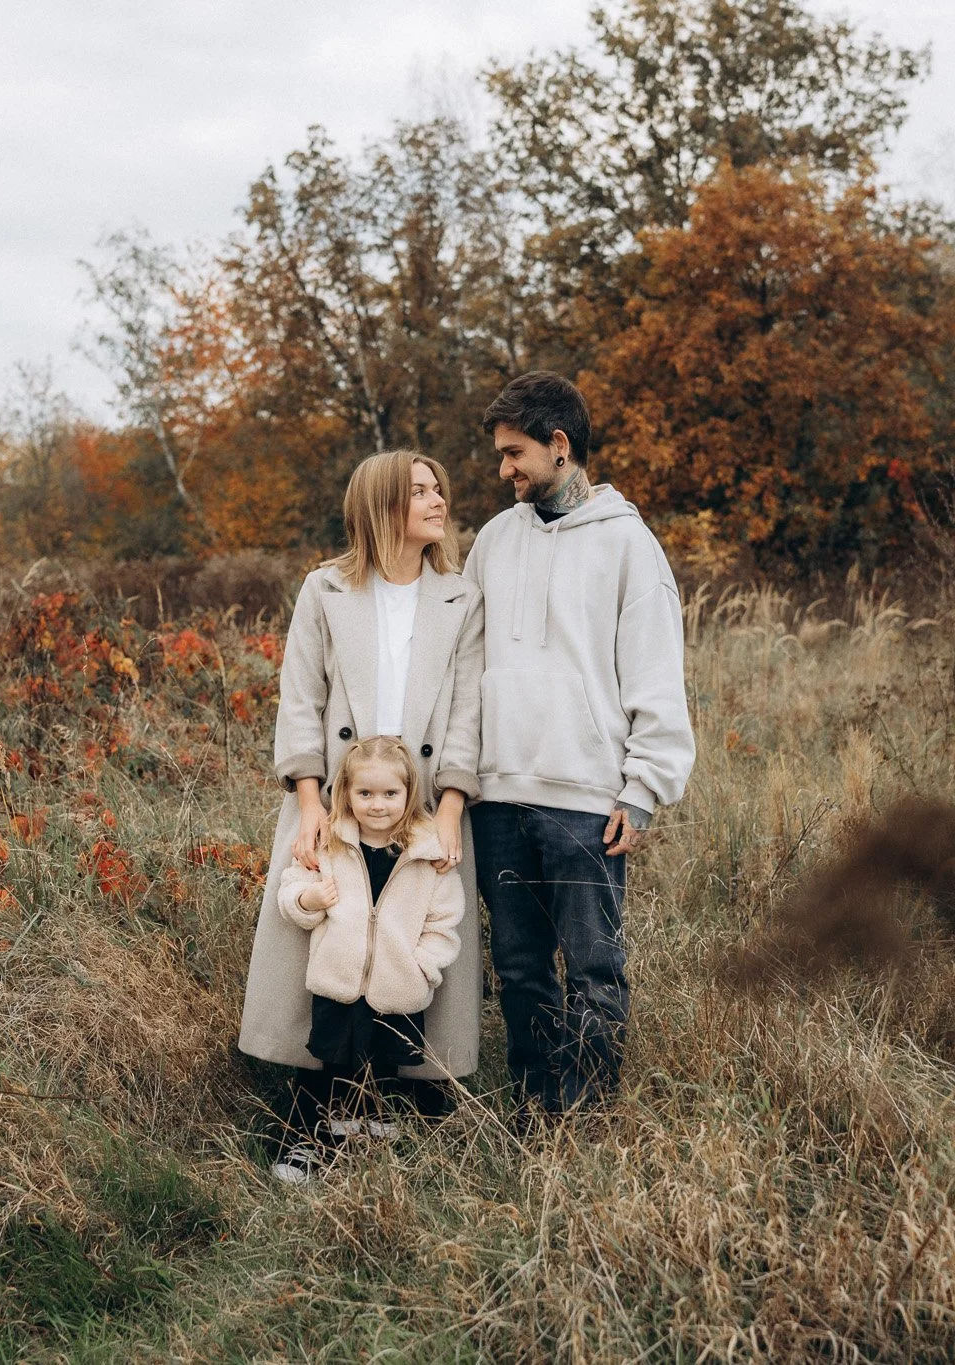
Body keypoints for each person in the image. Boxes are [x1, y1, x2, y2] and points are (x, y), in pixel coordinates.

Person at [237, 449, 485, 1174]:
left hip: (424, 809)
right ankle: (310, 1119)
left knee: (410, 946)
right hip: (337, 806)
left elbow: (469, 709)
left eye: (440, 488)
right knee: (333, 945)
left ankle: (388, 1107)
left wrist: (450, 807)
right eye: (420, 490)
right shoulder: (325, 589)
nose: (439, 500)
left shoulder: (460, 596)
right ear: (382, 506)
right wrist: (309, 800)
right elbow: (300, 699)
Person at [465, 371, 695, 1117]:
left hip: (585, 798)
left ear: (558, 445)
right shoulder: (494, 541)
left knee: (594, 966)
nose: (503, 469)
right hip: (498, 795)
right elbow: (466, 661)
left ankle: (587, 1115)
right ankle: (536, 1111)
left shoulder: (629, 545)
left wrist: (645, 787)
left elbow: (657, 673)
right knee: (520, 967)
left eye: (514, 452)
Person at [268, 737, 464, 1183]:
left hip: (399, 986)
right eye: (365, 794)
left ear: (409, 793)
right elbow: (290, 891)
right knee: (331, 1066)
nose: (377, 805)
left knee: (386, 1072)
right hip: (339, 981)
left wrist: (423, 967)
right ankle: (315, 1144)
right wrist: (309, 898)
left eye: (390, 794)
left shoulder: (428, 850)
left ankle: (375, 1154)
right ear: (347, 794)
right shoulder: (329, 841)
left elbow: (444, 920)